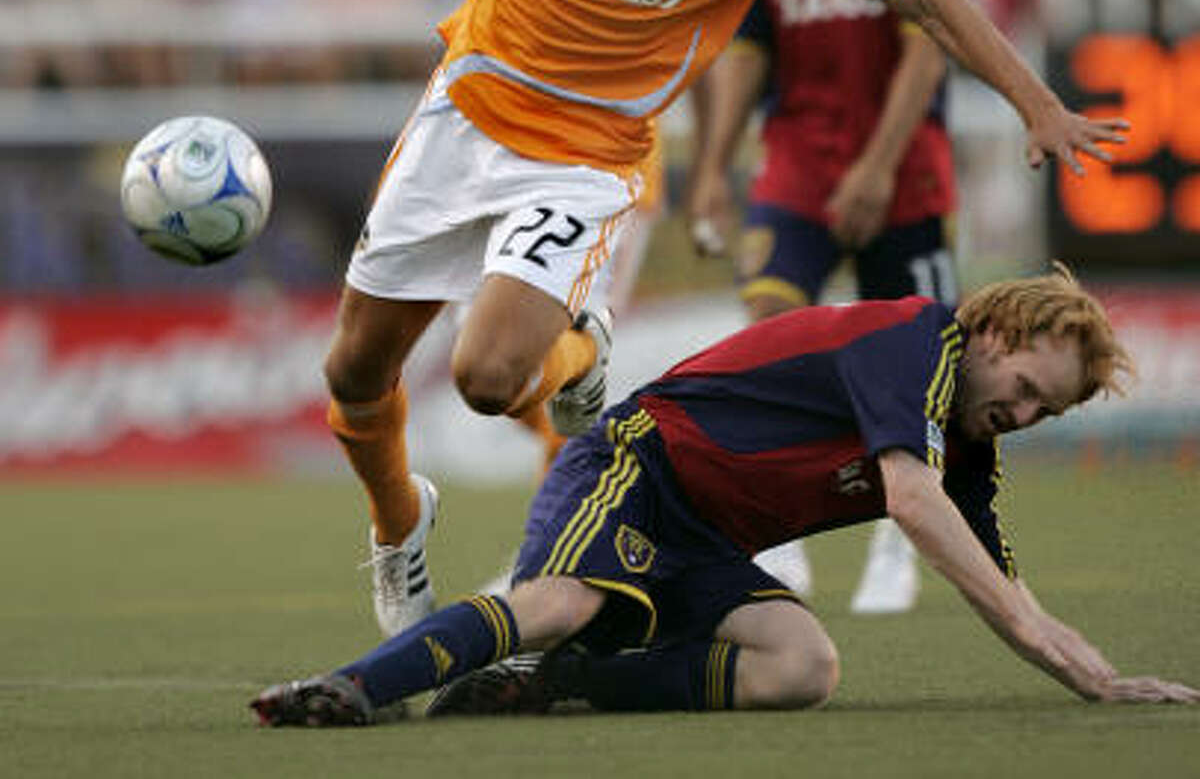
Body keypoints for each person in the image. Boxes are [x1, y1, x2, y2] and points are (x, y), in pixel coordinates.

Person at [325, 0, 1127, 642]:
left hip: (585, 153)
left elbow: (933, 1)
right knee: (355, 377)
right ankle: (399, 526)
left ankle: (580, 351)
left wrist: (1041, 107)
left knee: (489, 379)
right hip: (469, 109)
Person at [250, 265, 1198, 725]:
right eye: (1029, 387)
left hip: (701, 540)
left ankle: (559, 685)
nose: (1027, 413)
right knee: (562, 600)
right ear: (993, 332)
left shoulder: (964, 447)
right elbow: (911, 503)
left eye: (1048, 412)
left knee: (803, 667)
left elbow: (1001, 580)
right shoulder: (915, 343)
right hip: (637, 468)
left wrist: (1094, 667)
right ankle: (354, 689)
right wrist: (1057, 655)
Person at [687, 0, 960, 614]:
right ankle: (785, 541)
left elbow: (929, 51)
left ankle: (899, 537)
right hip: (799, 162)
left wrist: (879, 168)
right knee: (770, 325)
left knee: (921, 365)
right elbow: (747, 51)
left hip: (902, 169)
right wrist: (716, 169)